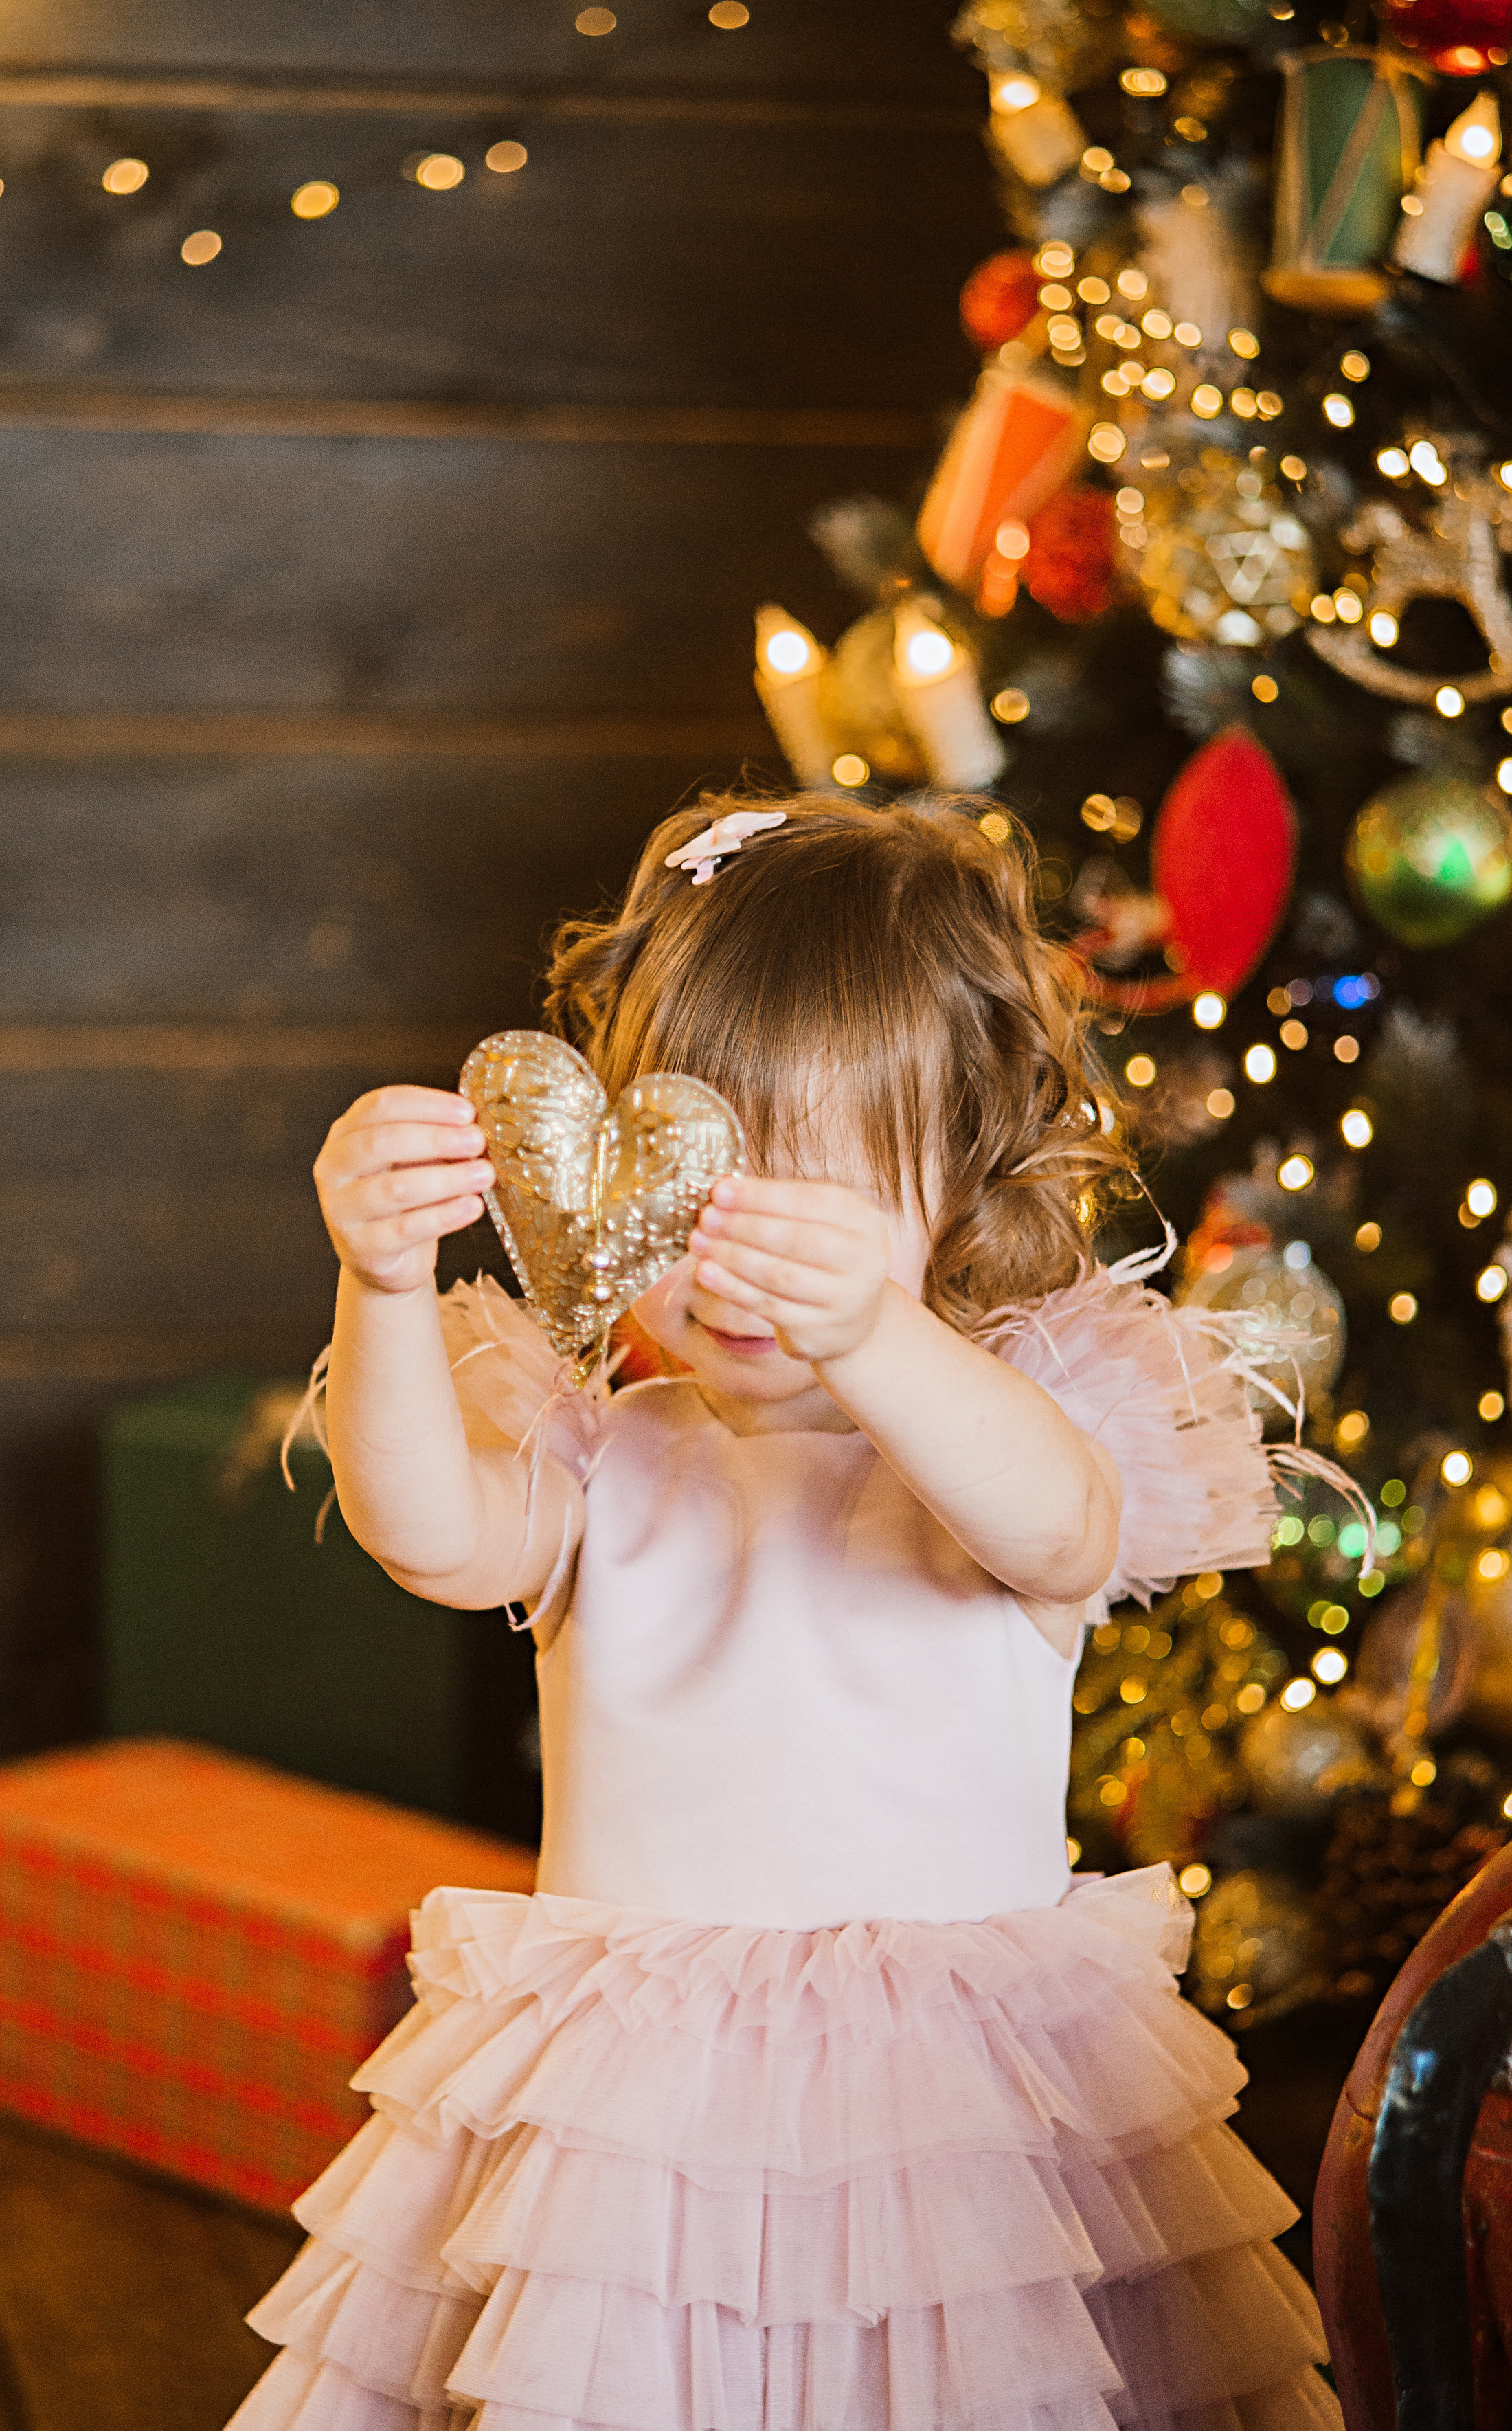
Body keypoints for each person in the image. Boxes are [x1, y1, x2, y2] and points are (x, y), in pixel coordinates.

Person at [230, 788, 1339, 2431]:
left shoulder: (1000, 1450)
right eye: (697, 1189)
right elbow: (431, 1536)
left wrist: (874, 1335)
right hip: (636, 2136)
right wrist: (379, 1284)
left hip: (958, 2128)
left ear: (963, 1189)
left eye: (818, 1209)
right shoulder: (606, 1458)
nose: (747, 1265)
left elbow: (1067, 1527)